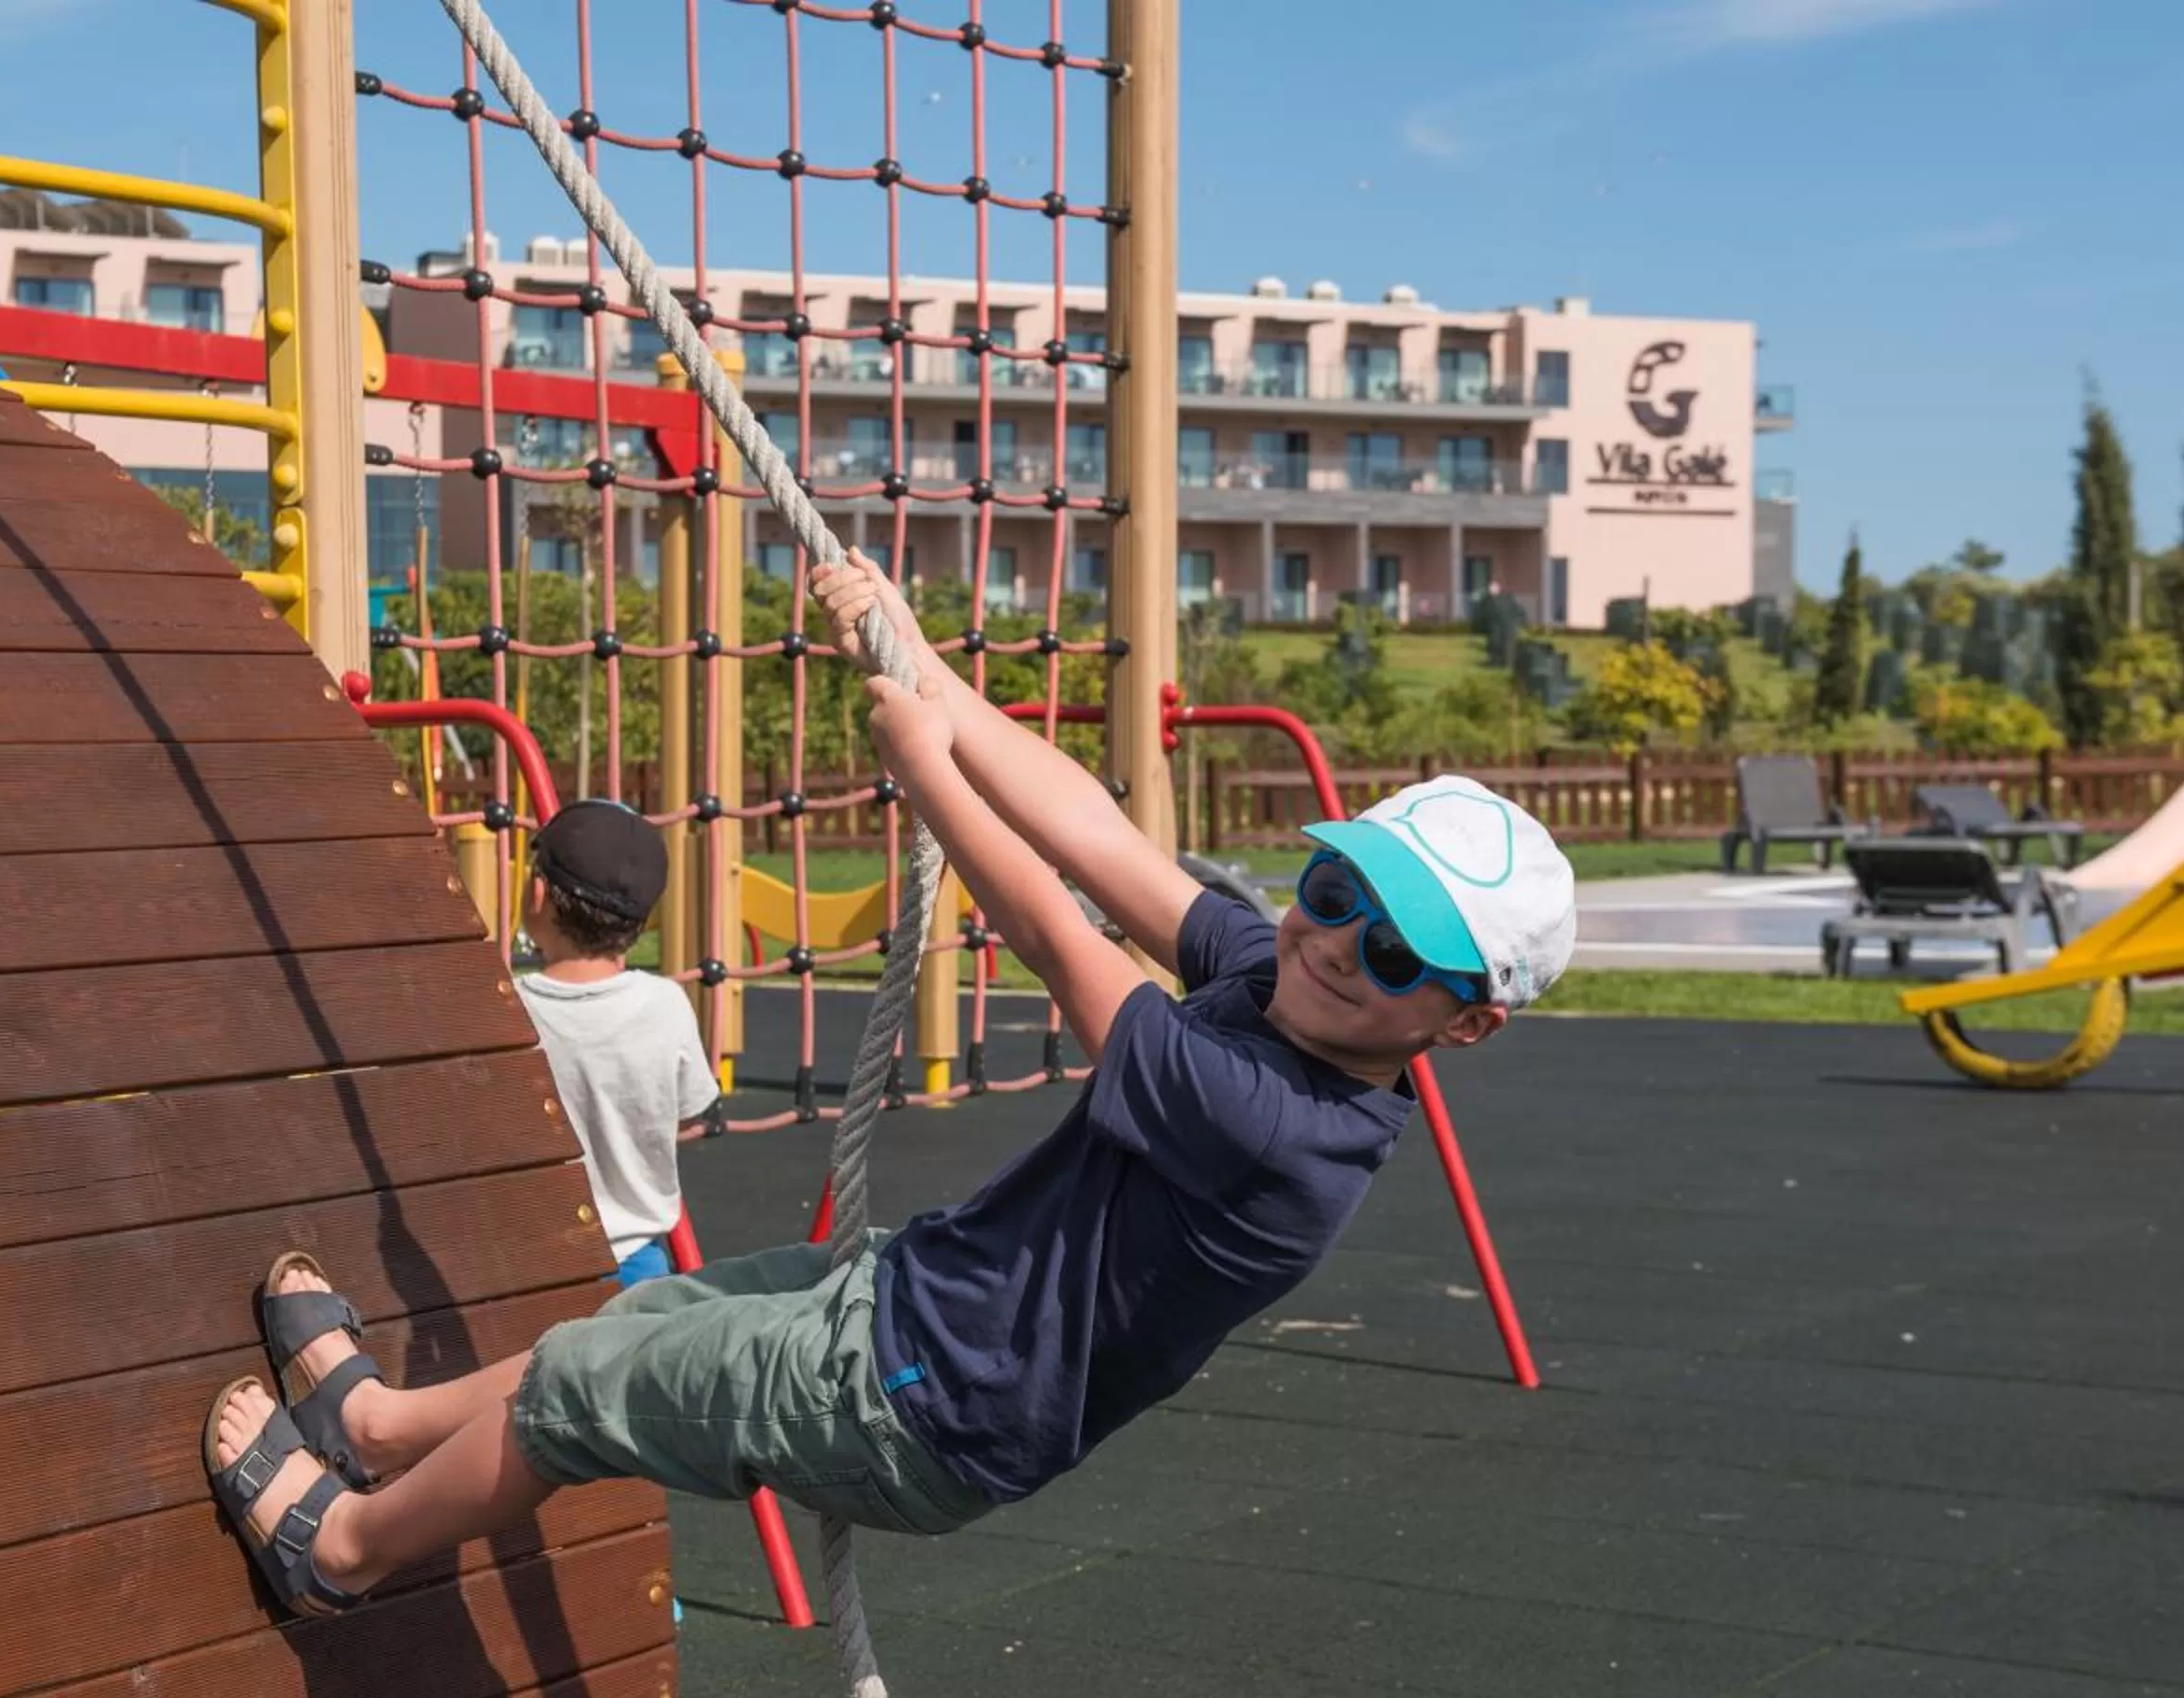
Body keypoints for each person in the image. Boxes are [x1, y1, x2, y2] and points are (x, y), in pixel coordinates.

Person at [201, 552, 1577, 1617]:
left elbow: (1062, 939)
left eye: (1397, 954)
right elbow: (1097, 831)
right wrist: (930, 673)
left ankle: (346, 1548)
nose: (1336, 944)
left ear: (1464, 1026)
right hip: (914, 1301)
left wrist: (926, 777)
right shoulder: (1273, 973)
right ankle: (373, 1424)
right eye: (1336, 892)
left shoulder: (1290, 1130)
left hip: (926, 1402)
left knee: (584, 1379)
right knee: (655, 1307)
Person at [506, 800, 721, 1288]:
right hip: (638, 1268)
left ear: (538, 894)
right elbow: (688, 1111)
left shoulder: (509, 1010)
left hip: (529, 1265)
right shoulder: (666, 1005)